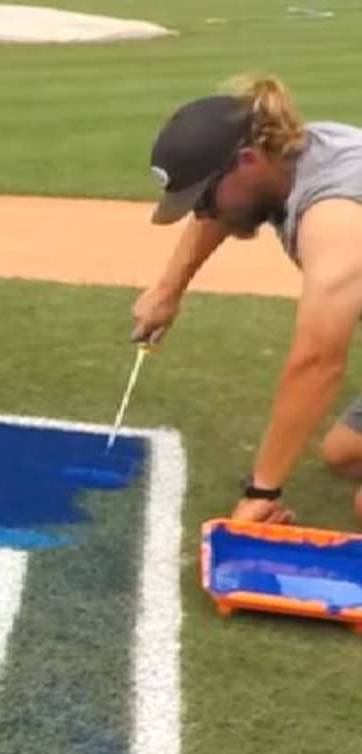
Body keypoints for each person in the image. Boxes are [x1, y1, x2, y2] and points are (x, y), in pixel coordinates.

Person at [134, 75, 362, 526]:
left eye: (202, 200)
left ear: (248, 161)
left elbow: (317, 362)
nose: (203, 214)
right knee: (344, 453)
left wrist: (263, 490)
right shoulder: (291, 158)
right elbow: (219, 212)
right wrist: (168, 291)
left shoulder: (336, 217)